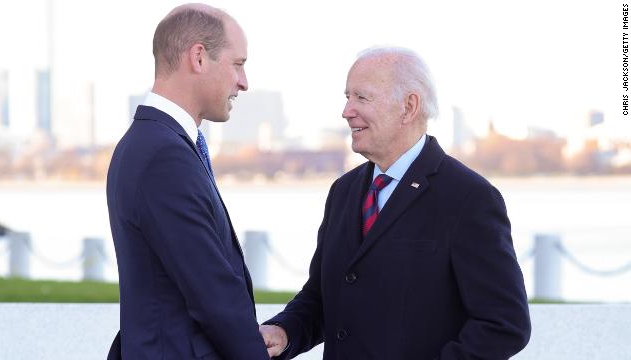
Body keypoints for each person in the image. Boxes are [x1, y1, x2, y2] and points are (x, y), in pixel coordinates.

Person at [259, 47, 531, 359]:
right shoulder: (343, 191)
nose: (347, 110)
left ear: (409, 106)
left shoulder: (469, 197)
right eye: (347, 97)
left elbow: (504, 324)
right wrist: (284, 331)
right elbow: (322, 297)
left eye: (362, 98)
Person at [106, 4, 269, 359]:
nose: (244, 82)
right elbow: (213, 294)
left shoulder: (154, 142)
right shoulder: (163, 155)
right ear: (198, 57)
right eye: (238, 64)